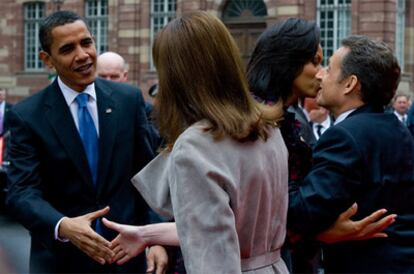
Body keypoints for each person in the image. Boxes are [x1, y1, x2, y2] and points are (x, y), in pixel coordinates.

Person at [104, 11, 289, 273]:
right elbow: (230, 227)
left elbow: (214, 259)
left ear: (175, 77)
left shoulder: (196, 147)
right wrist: (148, 234)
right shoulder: (267, 126)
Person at [6, 10, 167, 273]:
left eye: (87, 42)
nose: (82, 55)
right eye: (68, 48)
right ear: (48, 60)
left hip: (127, 258)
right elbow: (21, 192)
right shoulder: (27, 116)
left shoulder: (128, 100)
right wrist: (62, 225)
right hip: (62, 262)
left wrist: (157, 238)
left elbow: (149, 177)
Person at [246, 18, 394, 273]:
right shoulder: (253, 120)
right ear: (287, 61)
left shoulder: (283, 118)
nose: (321, 73)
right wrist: (321, 233)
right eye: (315, 61)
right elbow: (247, 206)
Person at [288, 35, 413, 272]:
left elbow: (304, 212)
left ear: (349, 84)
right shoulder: (396, 127)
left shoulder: (345, 136)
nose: (320, 75)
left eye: (329, 69)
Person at [96, 51, 161, 151]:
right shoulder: (86, 107)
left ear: (125, 76)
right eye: (102, 77)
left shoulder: (144, 110)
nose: (108, 82)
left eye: (114, 77)